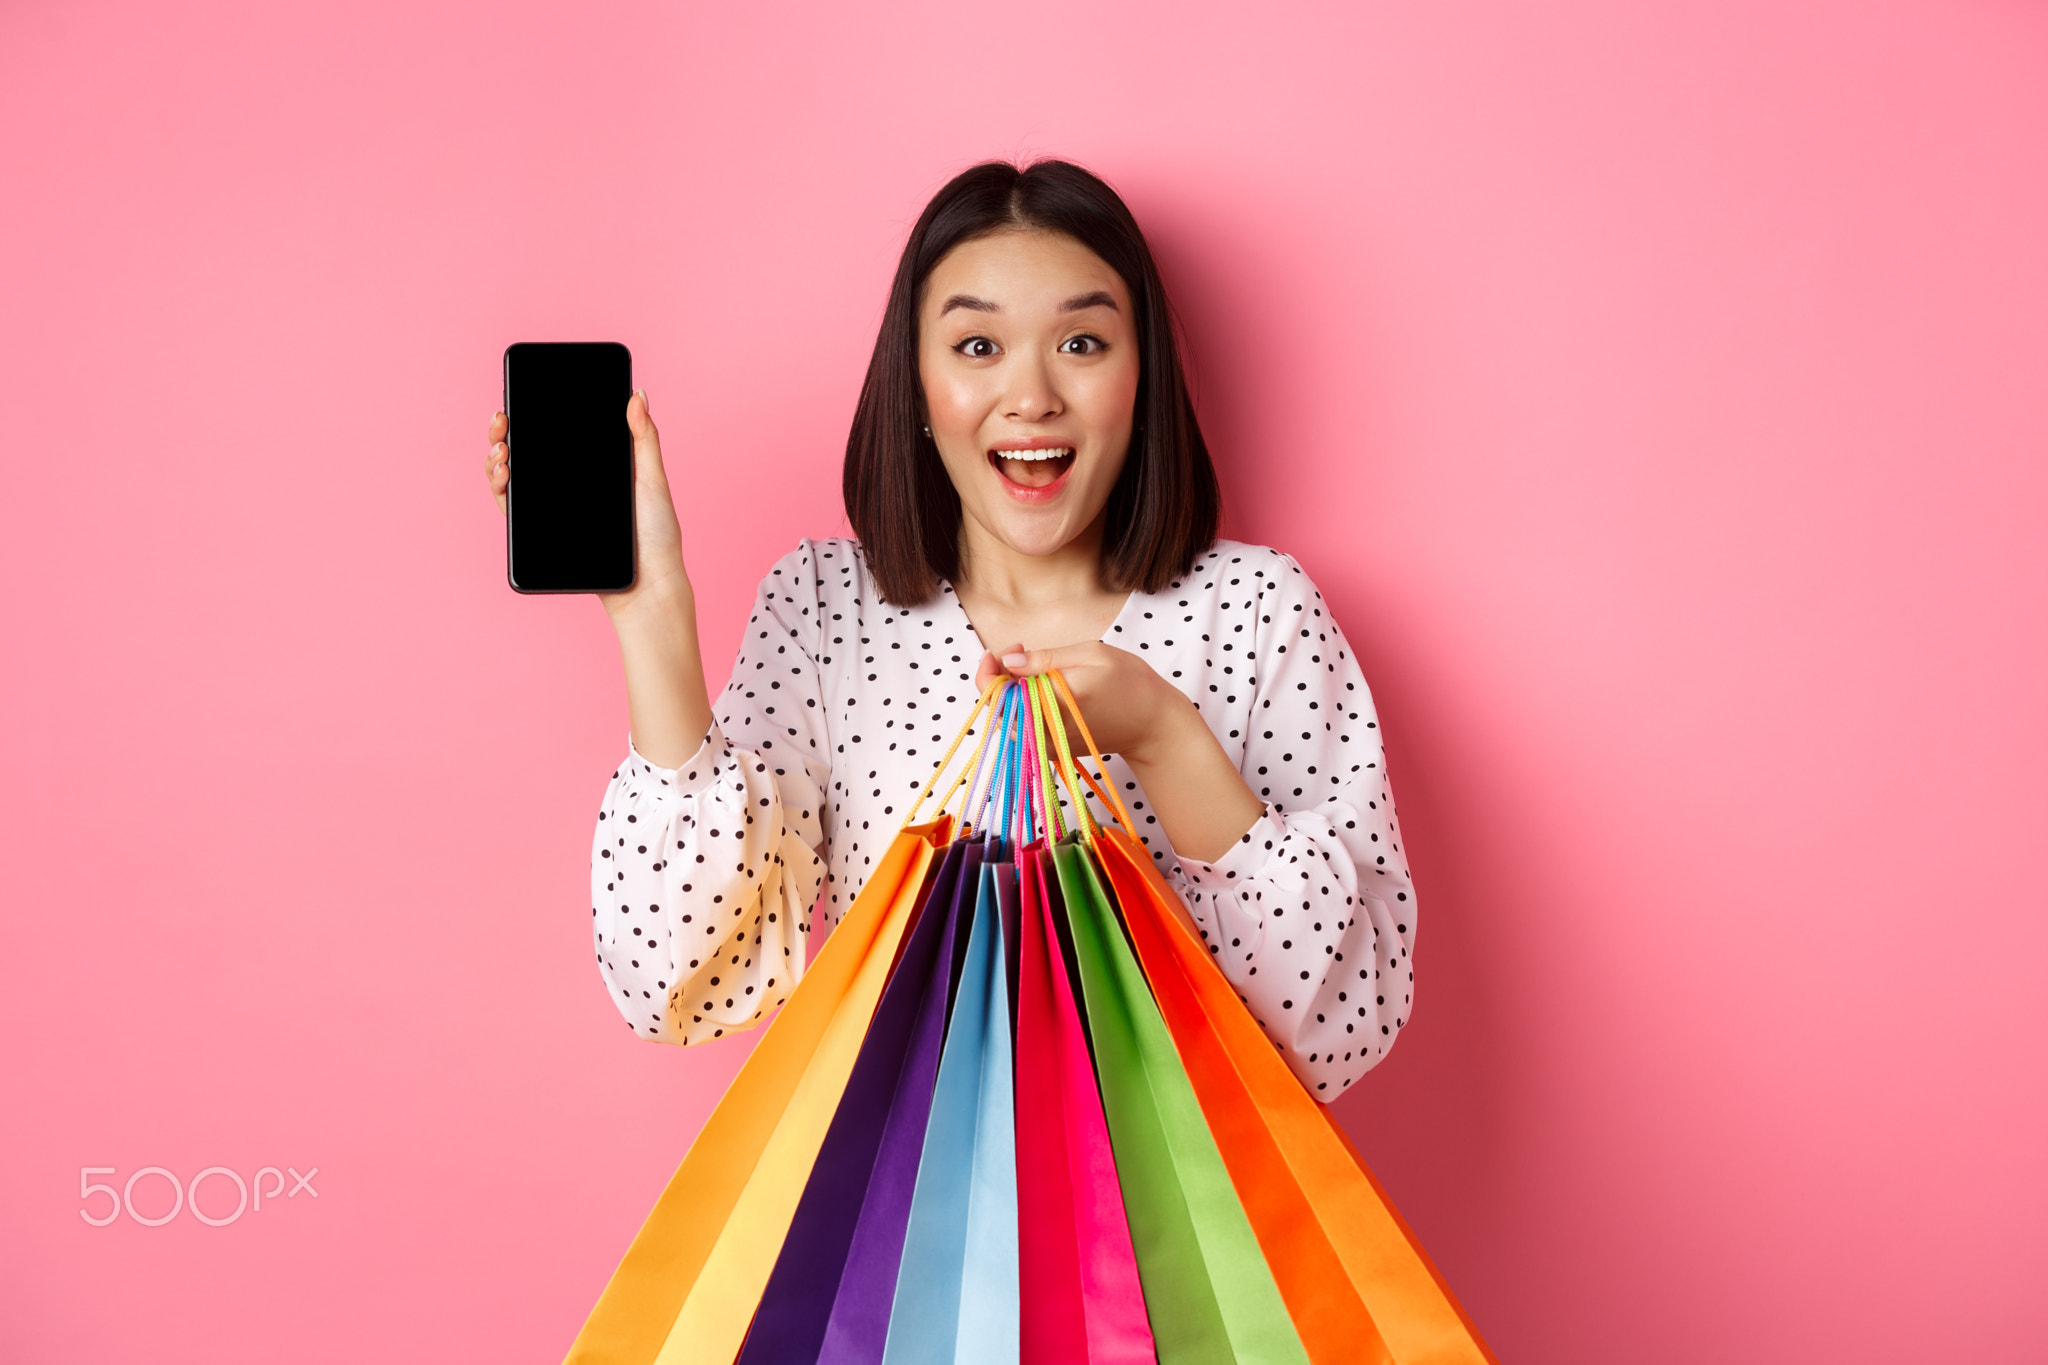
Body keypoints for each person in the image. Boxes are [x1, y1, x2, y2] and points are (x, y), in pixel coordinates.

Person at [483, 160, 1415, 1098]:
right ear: (918, 385)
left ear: (1143, 378)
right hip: (895, 1235)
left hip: (1177, 1241)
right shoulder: (826, 609)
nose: (1032, 395)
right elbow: (676, 982)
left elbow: (1343, 1027)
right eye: (977, 347)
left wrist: (1167, 742)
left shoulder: (1256, 612)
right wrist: (651, 615)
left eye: (1082, 342)